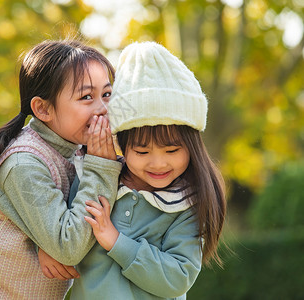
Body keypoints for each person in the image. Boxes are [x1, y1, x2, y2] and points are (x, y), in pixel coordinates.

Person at [0, 40, 122, 299]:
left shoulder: (77, 149)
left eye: (107, 94)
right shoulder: (24, 163)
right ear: (43, 108)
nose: (102, 109)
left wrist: (41, 242)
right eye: (86, 97)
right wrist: (102, 165)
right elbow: (69, 246)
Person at [66, 41, 227, 299]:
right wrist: (49, 248)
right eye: (142, 152)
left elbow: (178, 277)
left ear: (192, 147)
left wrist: (116, 241)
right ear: (122, 145)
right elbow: (63, 227)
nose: (158, 163)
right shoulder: (95, 177)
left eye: (172, 150)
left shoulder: (185, 203)